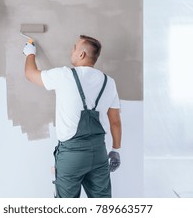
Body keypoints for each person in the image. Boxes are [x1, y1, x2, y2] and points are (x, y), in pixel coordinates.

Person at [23, 35, 122, 198]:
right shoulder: (108, 82)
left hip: (71, 156)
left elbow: (31, 74)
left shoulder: (64, 75)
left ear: (82, 55)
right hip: (99, 153)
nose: (72, 51)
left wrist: (29, 53)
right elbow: (115, 122)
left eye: (75, 48)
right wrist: (116, 150)